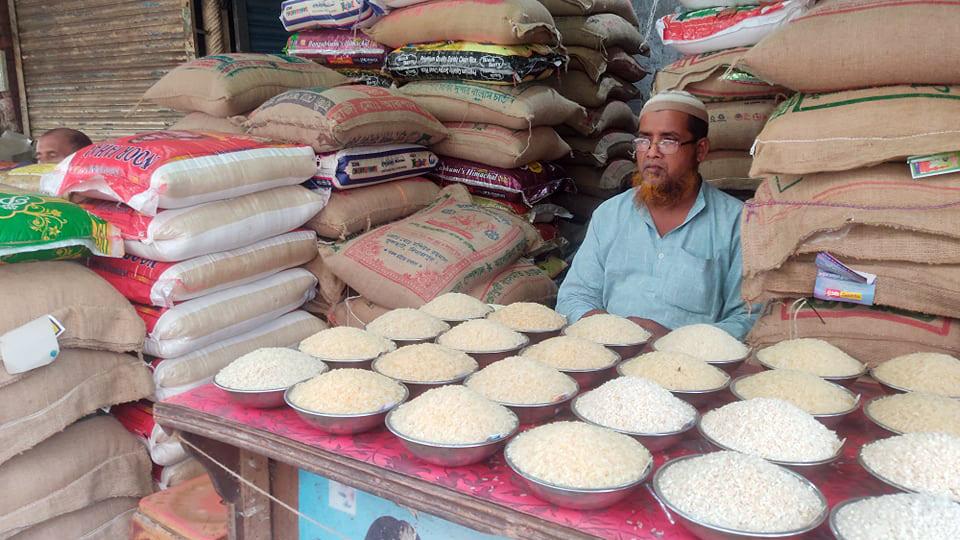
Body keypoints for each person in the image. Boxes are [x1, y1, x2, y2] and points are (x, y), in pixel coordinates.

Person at [556, 91, 757, 340]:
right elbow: (574, 296)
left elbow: (747, 318)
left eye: (668, 141)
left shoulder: (735, 223)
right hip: (608, 357)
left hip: (690, 370)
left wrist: (672, 341)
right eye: (644, 140)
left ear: (700, 150)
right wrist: (609, 331)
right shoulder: (609, 215)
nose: (652, 152)